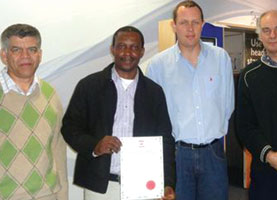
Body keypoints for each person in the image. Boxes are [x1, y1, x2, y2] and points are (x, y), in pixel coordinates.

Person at [61, 26, 175, 200]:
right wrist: (94, 145)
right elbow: (70, 128)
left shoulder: (154, 92)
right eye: (121, 46)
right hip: (101, 187)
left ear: (142, 51)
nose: (127, 52)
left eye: (134, 47)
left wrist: (167, 182)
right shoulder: (89, 86)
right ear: (112, 49)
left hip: (143, 186)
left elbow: (165, 139)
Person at [146, 1, 235, 200]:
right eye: (184, 22)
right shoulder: (158, 66)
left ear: (203, 25)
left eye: (195, 22)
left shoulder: (221, 59)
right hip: (176, 156)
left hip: (213, 153)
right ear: (174, 25)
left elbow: (228, 105)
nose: (190, 28)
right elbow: (153, 116)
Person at [0, 24, 68, 200]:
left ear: (40, 54)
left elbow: (58, 150)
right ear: (4, 55)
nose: (25, 56)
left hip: (47, 195)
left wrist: (62, 196)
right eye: (17, 50)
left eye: (32, 49)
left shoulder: (50, 94)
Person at [237, 10, 277, 200]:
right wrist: (271, 156)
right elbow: (244, 126)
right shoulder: (249, 75)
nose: (272, 35)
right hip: (265, 172)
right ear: (260, 35)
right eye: (266, 30)